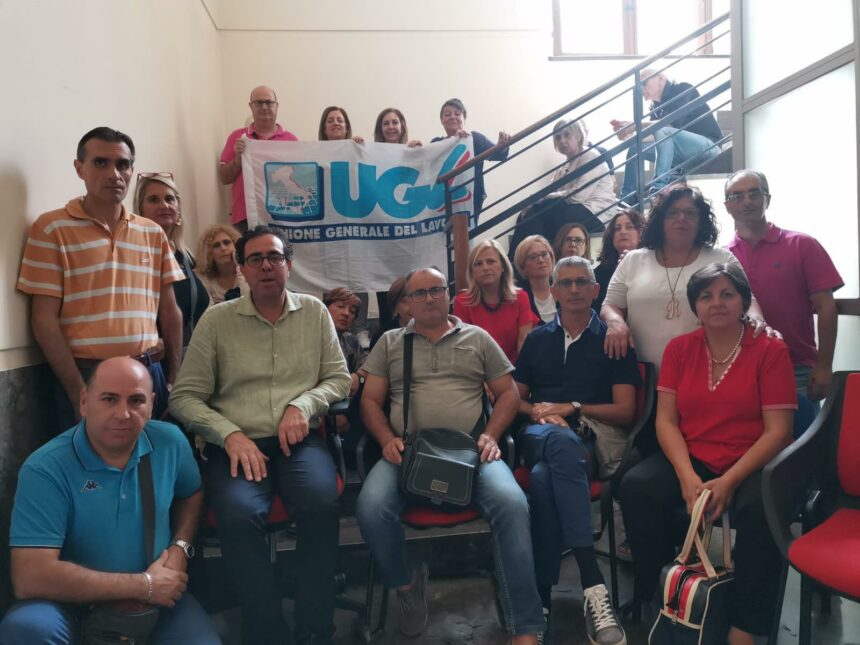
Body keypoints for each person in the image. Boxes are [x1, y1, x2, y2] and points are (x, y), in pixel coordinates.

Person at [169, 226, 351, 645]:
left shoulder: (314, 312)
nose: (266, 266)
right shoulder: (217, 320)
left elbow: (339, 379)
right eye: (255, 259)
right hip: (237, 447)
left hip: (299, 443)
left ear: (289, 264)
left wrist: (302, 405)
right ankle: (267, 631)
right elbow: (184, 397)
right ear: (242, 269)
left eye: (275, 257)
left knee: (321, 504)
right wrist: (228, 433)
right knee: (237, 516)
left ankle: (314, 629)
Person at [356, 267, 545, 643]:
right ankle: (407, 586)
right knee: (370, 508)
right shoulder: (391, 342)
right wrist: (386, 439)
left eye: (436, 290)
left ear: (449, 294)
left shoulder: (478, 338)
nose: (428, 298)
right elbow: (370, 402)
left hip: (471, 451)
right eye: (419, 293)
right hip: (407, 453)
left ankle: (524, 627)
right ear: (408, 302)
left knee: (513, 504)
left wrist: (491, 435)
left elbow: (508, 395)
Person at [619, 263, 796, 643]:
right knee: (636, 487)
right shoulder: (680, 349)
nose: (716, 303)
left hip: (752, 460)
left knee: (760, 508)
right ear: (695, 307)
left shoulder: (770, 350)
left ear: (744, 302)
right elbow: (666, 422)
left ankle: (746, 625)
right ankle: (662, 598)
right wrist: (687, 476)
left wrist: (729, 481)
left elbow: (778, 432)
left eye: (727, 294)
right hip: (696, 455)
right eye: (706, 296)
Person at [0, 357, 219, 645]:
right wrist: (143, 585)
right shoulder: (46, 469)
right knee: (26, 629)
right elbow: (30, 576)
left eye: (136, 401)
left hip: (156, 602)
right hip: (70, 604)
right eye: (109, 399)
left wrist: (180, 547)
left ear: (152, 404)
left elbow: (191, 493)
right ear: (84, 401)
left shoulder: (170, 443)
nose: (123, 414)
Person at [17, 126, 184, 430]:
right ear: (79, 168)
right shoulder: (51, 229)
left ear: (131, 170)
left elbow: (169, 310)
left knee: (152, 456)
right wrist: (77, 390)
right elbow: (43, 318)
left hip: (149, 373)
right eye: (100, 163)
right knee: (92, 459)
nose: (114, 174)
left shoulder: (151, 232)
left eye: (122, 164)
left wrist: (174, 378)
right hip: (88, 376)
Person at [514, 256, 640, 645]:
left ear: (595, 290)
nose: (573, 290)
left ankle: (540, 600)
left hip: (589, 440)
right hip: (539, 433)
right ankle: (593, 584)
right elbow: (513, 400)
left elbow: (625, 411)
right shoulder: (537, 339)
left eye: (581, 282)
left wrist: (574, 408)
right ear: (553, 291)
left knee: (544, 478)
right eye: (565, 283)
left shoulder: (613, 340)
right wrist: (538, 411)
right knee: (558, 442)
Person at [601, 185, 768, 371]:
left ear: (701, 220)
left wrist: (756, 319)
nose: (681, 218)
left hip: (705, 373)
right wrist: (615, 321)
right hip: (641, 376)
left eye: (690, 213)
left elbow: (747, 299)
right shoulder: (633, 260)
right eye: (673, 213)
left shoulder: (721, 258)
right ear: (660, 219)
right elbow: (610, 305)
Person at [724, 169, 843, 403]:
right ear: (727, 206)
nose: (746, 201)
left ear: (767, 199)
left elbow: (826, 307)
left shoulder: (802, 245)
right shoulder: (722, 256)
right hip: (738, 368)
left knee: (803, 428)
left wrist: (824, 366)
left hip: (796, 368)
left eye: (754, 194)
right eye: (737, 196)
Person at [612, 69, 722, 203]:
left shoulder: (682, 89)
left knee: (663, 130)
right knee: (635, 149)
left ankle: (658, 188)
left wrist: (635, 126)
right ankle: (627, 199)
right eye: (638, 87)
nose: (641, 89)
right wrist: (629, 134)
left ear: (661, 78)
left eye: (643, 83)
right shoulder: (654, 106)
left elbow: (668, 127)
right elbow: (654, 137)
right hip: (682, 154)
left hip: (709, 147)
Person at [511, 119, 616, 258]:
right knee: (527, 214)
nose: (562, 141)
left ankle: (524, 258)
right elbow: (549, 192)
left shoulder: (591, 156)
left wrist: (543, 200)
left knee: (538, 212)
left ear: (578, 135)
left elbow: (578, 196)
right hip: (576, 209)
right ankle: (527, 257)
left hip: (596, 212)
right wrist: (535, 202)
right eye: (557, 137)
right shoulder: (564, 166)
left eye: (567, 135)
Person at [135, 172, 210, 348]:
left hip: (193, 354)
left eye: (170, 199)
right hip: (154, 356)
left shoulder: (186, 256)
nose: (164, 205)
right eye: (153, 200)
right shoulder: (136, 256)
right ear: (140, 210)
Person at [219, 85, 298, 232]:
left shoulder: (291, 140)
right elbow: (224, 178)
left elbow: (300, 177)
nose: (264, 107)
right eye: (259, 103)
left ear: (276, 106)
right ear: (251, 106)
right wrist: (237, 160)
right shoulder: (237, 137)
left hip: (282, 215)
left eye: (269, 102)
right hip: (245, 217)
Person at [453, 239, 539, 362]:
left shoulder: (520, 297)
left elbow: (524, 347)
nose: (485, 267)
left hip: (515, 368)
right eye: (478, 264)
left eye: (491, 261)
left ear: (503, 266)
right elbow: (465, 350)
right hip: (478, 369)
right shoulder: (462, 302)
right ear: (473, 272)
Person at [431, 98, 512, 227]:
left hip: (470, 201)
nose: (452, 117)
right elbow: (426, 167)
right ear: (442, 120)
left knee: (467, 235)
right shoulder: (436, 143)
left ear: (464, 119)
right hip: (441, 202)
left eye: (457, 114)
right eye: (447, 114)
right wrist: (414, 147)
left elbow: (499, 154)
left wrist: (503, 145)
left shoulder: (474, 139)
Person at [593, 209, 645, 311]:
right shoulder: (600, 273)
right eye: (617, 228)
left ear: (641, 233)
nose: (623, 231)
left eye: (629, 227)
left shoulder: (652, 264)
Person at [322, 287, 368, 396]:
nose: (346, 313)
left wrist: (359, 378)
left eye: (352, 311)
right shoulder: (310, 337)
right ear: (325, 308)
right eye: (340, 306)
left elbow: (369, 368)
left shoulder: (350, 340)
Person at [195, 224, 247, 305]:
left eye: (227, 242)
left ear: (235, 245)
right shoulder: (204, 278)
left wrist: (239, 265)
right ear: (208, 252)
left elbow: (250, 301)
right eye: (216, 245)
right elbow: (209, 310)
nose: (223, 248)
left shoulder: (248, 270)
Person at [512, 235, 557, 324]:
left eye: (544, 254)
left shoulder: (564, 287)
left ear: (551, 257)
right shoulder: (516, 295)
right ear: (522, 265)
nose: (541, 260)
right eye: (533, 257)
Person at [369, 276, 412, 351]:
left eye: (415, 299)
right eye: (404, 301)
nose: (412, 306)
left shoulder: (430, 331)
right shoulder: (382, 336)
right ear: (395, 306)